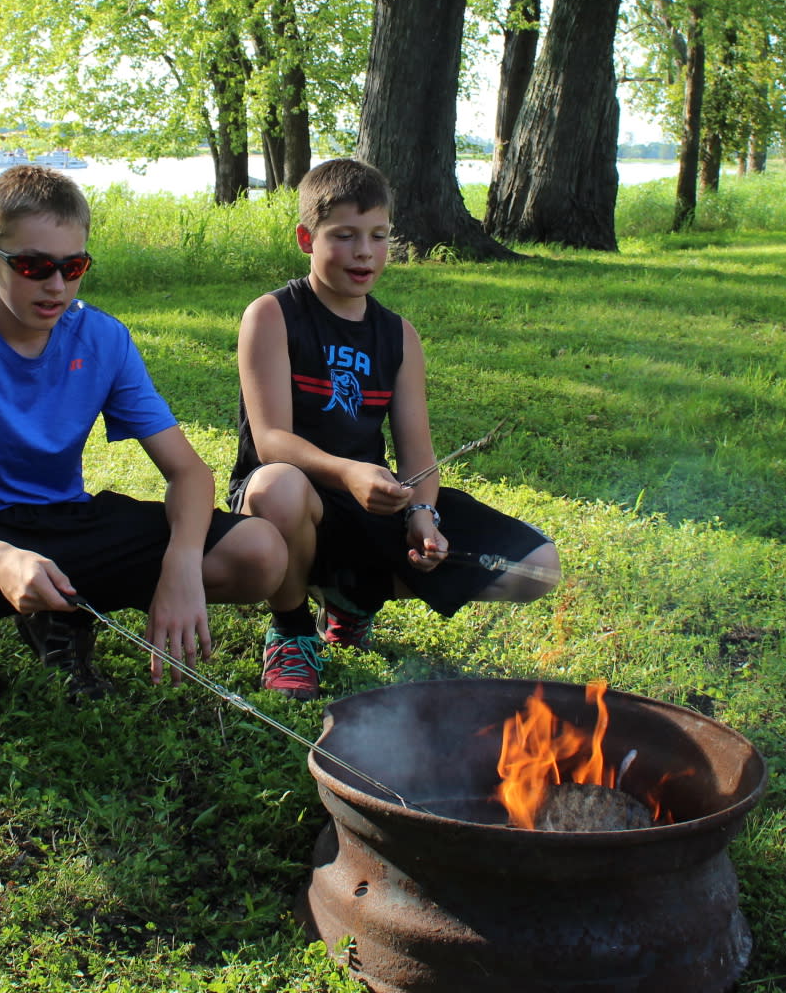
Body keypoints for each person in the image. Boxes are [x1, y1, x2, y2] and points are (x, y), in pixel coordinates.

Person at [0, 164, 286, 730]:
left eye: (72, 267)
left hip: (67, 524)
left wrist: (181, 567)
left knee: (260, 554)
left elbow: (190, 474)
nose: (56, 286)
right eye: (32, 266)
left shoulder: (102, 337)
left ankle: (60, 616)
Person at [229, 158, 561, 699]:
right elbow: (271, 443)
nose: (365, 252)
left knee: (539, 569)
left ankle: (351, 600)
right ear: (305, 238)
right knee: (279, 485)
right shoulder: (272, 315)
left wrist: (422, 516)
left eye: (379, 235)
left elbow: (417, 456)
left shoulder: (398, 335)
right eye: (345, 236)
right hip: (291, 499)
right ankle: (291, 630)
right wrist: (349, 472)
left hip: (371, 505)